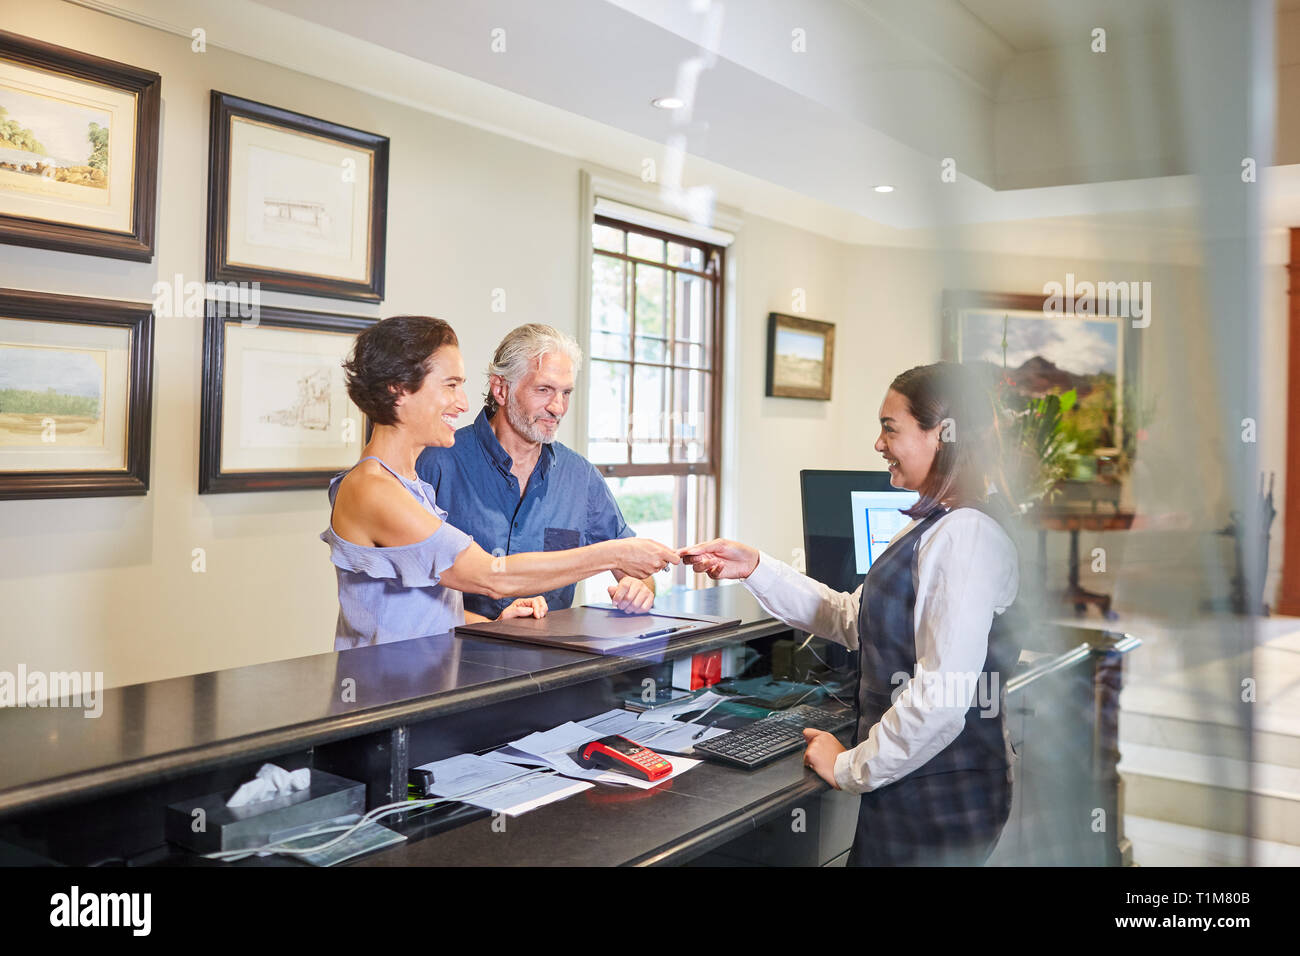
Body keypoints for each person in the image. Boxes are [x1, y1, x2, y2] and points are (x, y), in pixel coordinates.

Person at [682, 362, 1023, 866]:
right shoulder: (939, 523)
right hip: (921, 784)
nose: (878, 444)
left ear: (942, 437)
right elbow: (851, 616)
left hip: (937, 796)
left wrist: (848, 767)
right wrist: (754, 567)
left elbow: (941, 697)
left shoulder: (965, 536)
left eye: (890, 427)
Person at [321, 316, 679, 650]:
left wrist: (498, 624)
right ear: (399, 391)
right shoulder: (371, 489)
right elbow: (491, 577)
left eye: (566, 392)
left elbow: (424, 611)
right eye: (450, 386)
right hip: (387, 700)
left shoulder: (410, 484)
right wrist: (613, 554)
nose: (463, 402)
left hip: (434, 690)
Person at [416, 324, 656, 620]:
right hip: (454, 660)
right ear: (501, 389)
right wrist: (492, 626)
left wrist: (639, 588)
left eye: (566, 392)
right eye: (544, 390)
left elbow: (634, 567)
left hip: (554, 664)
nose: (558, 407)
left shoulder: (581, 478)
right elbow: (407, 594)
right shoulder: (436, 462)